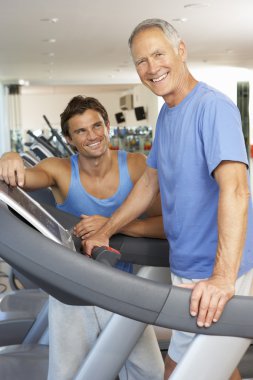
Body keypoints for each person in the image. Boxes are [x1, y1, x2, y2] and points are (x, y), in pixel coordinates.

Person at [83, 19, 253, 380]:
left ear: (181, 50)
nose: (151, 67)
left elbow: (236, 189)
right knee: (215, 364)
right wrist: (107, 229)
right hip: (186, 266)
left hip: (217, 271)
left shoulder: (214, 108)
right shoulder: (167, 115)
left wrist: (222, 279)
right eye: (141, 61)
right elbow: (149, 182)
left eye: (158, 54)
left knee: (181, 370)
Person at [0, 95, 165, 380]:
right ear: (69, 139)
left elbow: (165, 226)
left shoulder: (137, 166)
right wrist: (8, 157)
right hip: (72, 290)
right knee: (68, 375)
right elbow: (21, 179)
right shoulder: (59, 170)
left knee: (150, 372)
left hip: (122, 287)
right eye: (81, 131)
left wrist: (112, 226)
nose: (92, 136)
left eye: (96, 125)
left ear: (107, 126)